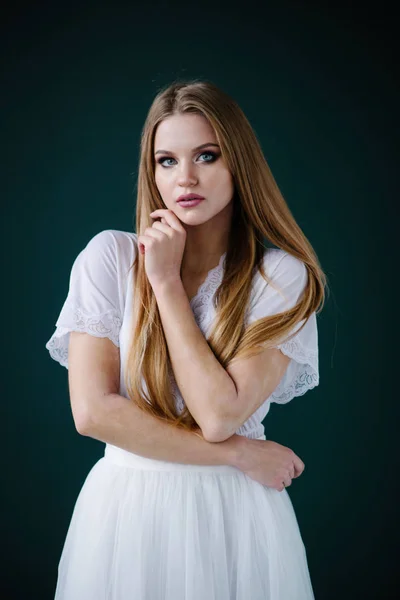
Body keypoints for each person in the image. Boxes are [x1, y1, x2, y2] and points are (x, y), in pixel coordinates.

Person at [45, 79, 327, 599]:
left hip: (235, 517)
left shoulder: (281, 277)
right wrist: (241, 454)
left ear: (238, 162)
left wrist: (167, 285)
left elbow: (218, 413)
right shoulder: (108, 258)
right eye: (166, 161)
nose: (186, 178)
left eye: (207, 155)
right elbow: (93, 414)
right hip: (126, 513)